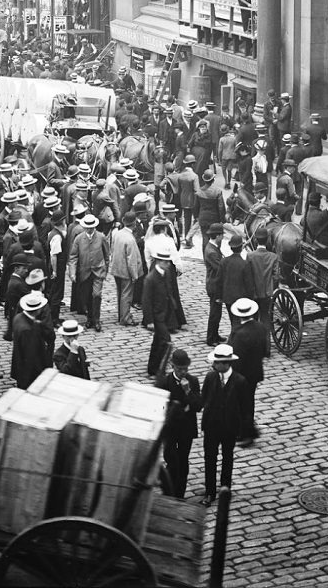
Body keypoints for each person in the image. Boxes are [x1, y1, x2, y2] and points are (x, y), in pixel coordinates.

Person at [200, 343, 250, 506]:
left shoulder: (240, 381)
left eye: (216, 362)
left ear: (226, 363)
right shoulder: (210, 377)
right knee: (209, 459)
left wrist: (243, 430)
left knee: (227, 458)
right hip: (211, 427)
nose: (213, 365)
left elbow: (245, 407)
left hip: (229, 428)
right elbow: (204, 399)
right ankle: (210, 492)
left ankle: (225, 489)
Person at [156, 348, 201, 498]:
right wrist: (182, 409)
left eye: (185, 369)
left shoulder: (193, 381)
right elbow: (160, 407)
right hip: (169, 430)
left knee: (183, 461)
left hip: (186, 430)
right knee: (171, 461)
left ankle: (179, 495)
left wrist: (188, 391)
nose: (183, 372)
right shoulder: (165, 382)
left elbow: (197, 406)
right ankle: (170, 493)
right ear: (172, 366)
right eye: (180, 369)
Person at [228, 297, 267, 444]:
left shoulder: (239, 334)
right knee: (249, 401)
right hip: (255, 372)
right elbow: (264, 350)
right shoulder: (260, 328)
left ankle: (246, 433)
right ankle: (248, 428)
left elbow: (236, 359)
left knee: (241, 403)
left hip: (242, 375)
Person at [141, 249, 180, 377]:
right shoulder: (150, 278)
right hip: (157, 315)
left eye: (168, 261)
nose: (167, 264)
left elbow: (169, 289)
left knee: (158, 341)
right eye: (164, 261)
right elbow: (146, 301)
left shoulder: (167, 273)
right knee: (165, 340)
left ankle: (152, 368)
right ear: (158, 261)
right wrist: (149, 321)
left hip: (166, 313)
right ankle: (160, 368)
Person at [68, 213, 109, 332]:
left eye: (92, 227)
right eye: (87, 227)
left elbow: (107, 255)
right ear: (84, 227)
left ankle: (96, 320)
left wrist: (105, 269)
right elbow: (73, 257)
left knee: (97, 295)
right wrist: (72, 273)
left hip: (98, 271)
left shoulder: (101, 237)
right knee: (86, 297)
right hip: (84, 272)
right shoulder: (79, 239)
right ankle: (89, 318)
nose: (90, 229)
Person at [11, 292, 54, 389]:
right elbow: (32, 358)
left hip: (19, 365)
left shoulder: (18, 318)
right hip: (29, 375)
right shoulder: (29, 330)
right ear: (38, 310)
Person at [109, 212, 142, 326]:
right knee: (126, 295)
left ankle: (121, 315)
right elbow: (131, 260)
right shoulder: (130, 239)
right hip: (126, 271)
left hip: (116, 268)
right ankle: (125, 318)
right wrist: (134, 275)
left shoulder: (117, 234)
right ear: (134, 224)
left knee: (120, 293)